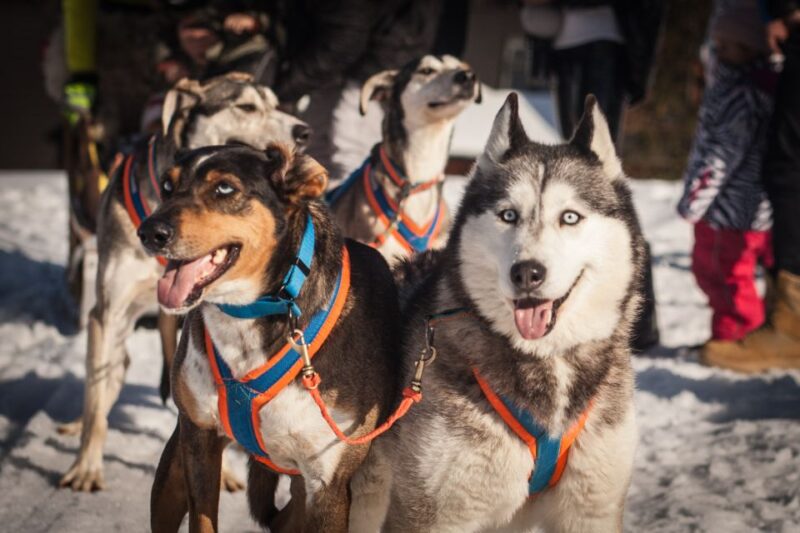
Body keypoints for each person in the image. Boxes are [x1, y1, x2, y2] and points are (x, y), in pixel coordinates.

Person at [703, 0, 800, 371]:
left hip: (735, 210)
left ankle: (782, 327)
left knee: (788, 165)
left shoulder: (743, 93)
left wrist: (785, 10)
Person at [679, 0, 777, 345]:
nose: (718, 52)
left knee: (723, 274)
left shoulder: (741, 94)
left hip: (728, 211)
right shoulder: (739, 83)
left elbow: (722, 154)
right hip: (737, 210)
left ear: (749, 47)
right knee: (722, 273)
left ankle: (739, 335)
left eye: (726, 46)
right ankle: (732, 330)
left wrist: (694, 200)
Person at [271, 0, 444, 185]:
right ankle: (321, 205)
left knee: (350, 158)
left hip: (377, 67)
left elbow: (346, 37)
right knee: (321, 150)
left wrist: (283, 90)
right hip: (356, 65)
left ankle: (341, 209)